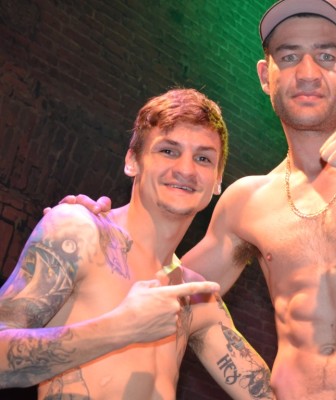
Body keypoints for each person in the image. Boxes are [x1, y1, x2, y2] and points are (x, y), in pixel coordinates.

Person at [55, 0, 336, 399]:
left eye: (327, 55)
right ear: (266, 75)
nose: (308, 73)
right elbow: (159, 294)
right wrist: (101, 229)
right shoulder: (246, 201)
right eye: (289, 56)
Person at [0, 88, 273, 399]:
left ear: (217, 180)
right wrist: (120, 327)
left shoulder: (196, 297)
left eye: (203, 158)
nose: (186, 170)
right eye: (168, 151)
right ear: (133, 161)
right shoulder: (81, 232)